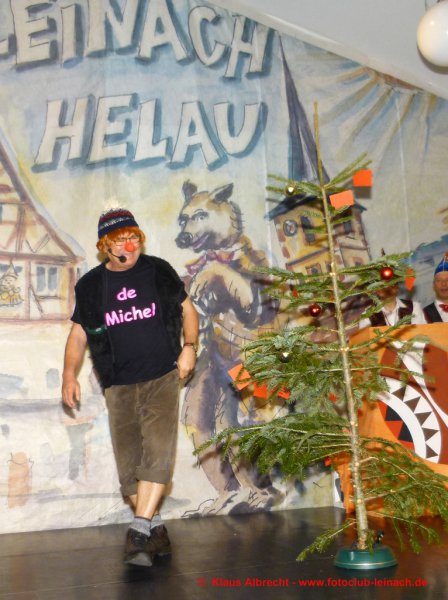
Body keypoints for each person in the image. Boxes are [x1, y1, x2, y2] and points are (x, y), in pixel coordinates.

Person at [61, 208, 199, 567]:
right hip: (118, 384)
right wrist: (68, 375)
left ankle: (137, 533)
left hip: (161, 376)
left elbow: (188, 310)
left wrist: (189, 346)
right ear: (105, 246)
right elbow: (78, 334)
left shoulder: (158, 271)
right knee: (130, 467)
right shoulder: (91, 286)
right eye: (121, 240)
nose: (130, 245)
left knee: (158, 453)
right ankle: (156, 530)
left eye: (134, 237)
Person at [358, 284, 427, 329]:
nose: (387, 288)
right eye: (381, 285)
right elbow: (365, 343)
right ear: (376, 290)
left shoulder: (414, 307)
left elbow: (422, 334)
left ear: (397, 287)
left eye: (391, 283)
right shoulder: (367, 315)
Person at [424, 253, 448, 323]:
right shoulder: (424, 313)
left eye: (447, 280)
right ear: (433, 285)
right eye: (439, 280)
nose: (444, 284)